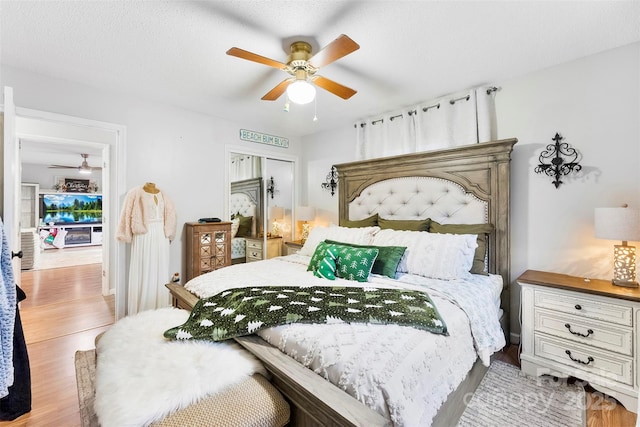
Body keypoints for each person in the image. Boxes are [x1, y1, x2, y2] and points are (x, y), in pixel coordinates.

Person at [117, 183, 176, 314]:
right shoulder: (135, 193)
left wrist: (169, 232)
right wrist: (125, 233)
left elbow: (170, 216)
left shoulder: (164, 195)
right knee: (143, 270)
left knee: (160, 269)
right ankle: (141, 311)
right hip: (143, 236)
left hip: (161, 237)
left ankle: (159, 309)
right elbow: (126, 215)